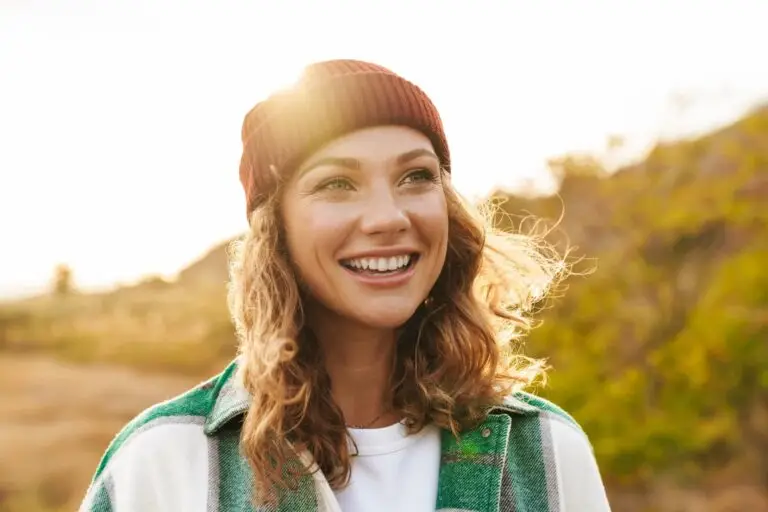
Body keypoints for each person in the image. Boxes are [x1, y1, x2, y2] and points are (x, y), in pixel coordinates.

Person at [79, 59, 611, 512]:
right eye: (337, 183)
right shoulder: (164, 464)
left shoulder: (546, 451)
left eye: (416, 177)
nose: (388, 217)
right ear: (276, 229)